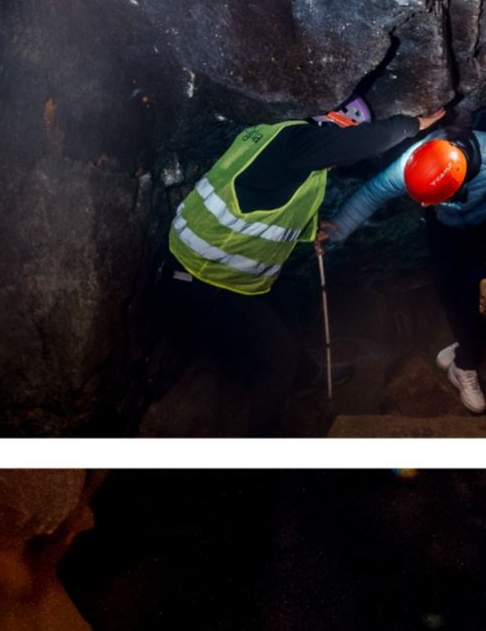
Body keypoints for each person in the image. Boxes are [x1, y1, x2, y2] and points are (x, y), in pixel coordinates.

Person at [167, 98, 445, 430]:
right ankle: (260, 454)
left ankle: (306, 375)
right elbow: (363, 142)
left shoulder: (279, 145)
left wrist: (311, 230)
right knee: (276, 356)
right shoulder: (294, 144)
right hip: (203, 275)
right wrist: (413, 125)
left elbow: (263, 202)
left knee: (283, 316)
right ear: (333, 123)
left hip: (210, 269)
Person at [319, 125, 486, 412]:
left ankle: (465, 363)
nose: (422, 204)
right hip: (444, 227)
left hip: (484, 224)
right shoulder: (413, 164)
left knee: (476, 291)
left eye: (429, 198)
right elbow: (372, 193)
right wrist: (336, 232)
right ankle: (464, 348)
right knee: (449, 287)